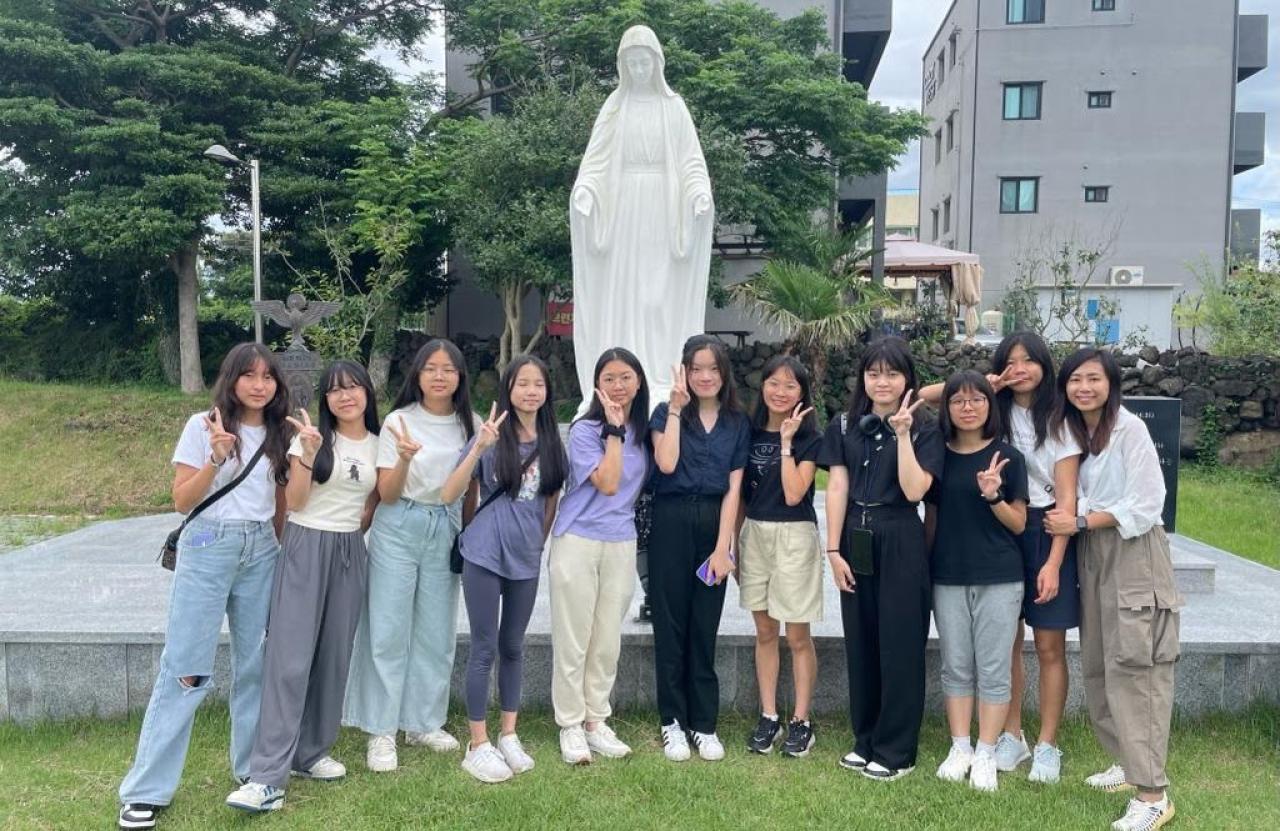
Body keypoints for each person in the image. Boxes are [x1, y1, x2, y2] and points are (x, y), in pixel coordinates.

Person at [118, 343, 290, 831]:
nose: (259, 385)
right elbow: (181, 500)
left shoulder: (281, 432)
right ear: (231, 379)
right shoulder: (202, 424)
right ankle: (145, 791)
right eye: (249, 375)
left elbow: (279, 502)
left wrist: (280, 551)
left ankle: (254, 772)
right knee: (186, 668)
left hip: (261, 548)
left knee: (256, 663)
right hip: (208, 544)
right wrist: (216, 458)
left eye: (268, 377)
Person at [919, 332, 1081, 783]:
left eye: (1029, 360)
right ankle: (1011, 735)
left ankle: (1047, 743)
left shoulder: (1061, 418)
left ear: (1046, 365)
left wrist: (1053, 562)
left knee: (1048, 643)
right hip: (992, 525)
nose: (1020, 369)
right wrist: (984, 384)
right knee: (1004, 642)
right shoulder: (994, 408)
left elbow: (1067, 498)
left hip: (1043, 524)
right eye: (1011, 361)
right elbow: (928, 395)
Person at [226, 361, 381, 813]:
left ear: (367, 393)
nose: (345, 396)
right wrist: (309, 452)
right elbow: (294, 501)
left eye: (353, 387)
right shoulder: (310, 438)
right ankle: (266, 777)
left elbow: (373, 501)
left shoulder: (379, 444)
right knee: (289, 660)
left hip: (350, 549)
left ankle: (310, 753)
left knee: (334, 656)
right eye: (335, 390)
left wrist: (352, 539)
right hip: (306, 543)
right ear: (325, 399)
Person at [1043, 349, 1180, 831]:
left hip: (1133, 551)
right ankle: (1127, 761)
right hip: (1092, 551)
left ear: (1111, 384)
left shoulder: (1130, 429)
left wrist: (1081, 520)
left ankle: (1153, 794)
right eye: (1075, 380)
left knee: (1135, 665)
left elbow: (1147, 503)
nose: (1084, 388)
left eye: (1093, 379)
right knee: (1100, 662)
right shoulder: (1072, 432)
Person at [343, 340, 477, 772]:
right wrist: (402, 459)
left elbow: (471, 488)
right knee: (387, 628)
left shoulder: (471, 424)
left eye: (449, 369)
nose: (440, 376)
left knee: (436, 630)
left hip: (445, 524)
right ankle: (381, 730)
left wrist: (467, 535)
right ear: (417, 374)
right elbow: (386, 493)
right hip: (399, 523)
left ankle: (423, 722)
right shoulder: (399, 421)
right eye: (431, 368)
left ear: (460, 376)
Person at [569, 23, 714, 407]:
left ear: (656, 63)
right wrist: (585, 192)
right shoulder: (615, 107)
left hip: (664, 211)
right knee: (624, 293)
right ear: (623, 66)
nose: (638, 69)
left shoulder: (673, 107)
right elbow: (596, 162)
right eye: (631, 63)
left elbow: (690, 162)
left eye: (643, 62)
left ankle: (659, 376)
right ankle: (621, 376)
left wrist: (699, 194)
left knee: (658, 296)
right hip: (623, 211)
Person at [820, 337, 943, 781]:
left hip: (900, 535)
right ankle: (866, 738)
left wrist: (903, 433)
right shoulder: (844, 424)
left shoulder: (926, 429)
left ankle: (896, 750)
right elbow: (837, 486)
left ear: (907, 378)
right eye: (873, 373)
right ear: (863, 378)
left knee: (900, 644)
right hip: (855, 535)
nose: (882, 382)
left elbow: (915, 490)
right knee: (862, 641)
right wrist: (833, 550)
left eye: (892, 373)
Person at [441, 355, 568, 784]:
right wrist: (479, 447)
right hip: (484, 554)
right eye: (522, 383)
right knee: (484, 648)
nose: (531, 391)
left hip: (524, 558)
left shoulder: (552, 441)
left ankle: (508, 734)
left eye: (538, 384)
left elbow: (550, 501)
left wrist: (536, 543)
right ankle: (477, 743)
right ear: (508, 389)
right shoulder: (491, 435)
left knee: (513, 645)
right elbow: (449, 493)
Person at [647, 335, 750, 763]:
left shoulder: (737, 422)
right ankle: (672, 721)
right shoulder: (664, 413)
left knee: (704, 626)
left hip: (713, 523)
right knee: (669, 625)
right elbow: (666, 463)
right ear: (685, 372)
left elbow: (734, 489)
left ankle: (703, 724)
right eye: (696, 369)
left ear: (724, 373)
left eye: (713, 369)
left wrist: (724, 547)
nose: (705, 377)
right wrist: (675, 408)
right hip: (670, 522)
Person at [549, 348, 651, 765]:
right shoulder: (585, 430)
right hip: (578, 539)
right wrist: (613, 430)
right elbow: (608, 483)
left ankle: (596, 720)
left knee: (607, 638)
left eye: (625, 377)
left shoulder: (644, 431)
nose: (618, 385)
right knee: (574, 637)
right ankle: (570, 724)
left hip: (621, 541)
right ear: (596, 386)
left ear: (639, 382)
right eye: (609, 378)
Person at [930, 370, 1029, 792]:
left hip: (999, 576)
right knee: (955, 664)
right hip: (948, 574)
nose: (967, 408)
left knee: (993, 667)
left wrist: (993, 495)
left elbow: (1019, 523)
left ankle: (987, 751)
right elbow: (932, 518)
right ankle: (960, 747)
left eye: (977, 399)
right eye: (958, 400)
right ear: (947, 408)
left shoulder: (1008, 457)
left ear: (991, 405)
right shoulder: (937, 454)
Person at [738, 355, 823, 757]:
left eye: (791, 385)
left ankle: (802, 720)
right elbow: (739, 495)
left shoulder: (810, 439)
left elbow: (793, 494)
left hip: (794, 536)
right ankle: (768, 715)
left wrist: (787, 443)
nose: (780, 392)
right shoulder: (748, 433)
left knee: (797, 635)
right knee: (765, 632)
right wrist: (733, 545)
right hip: (754, 534)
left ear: (802, 393)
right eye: (774, 383)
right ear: (763, 387)